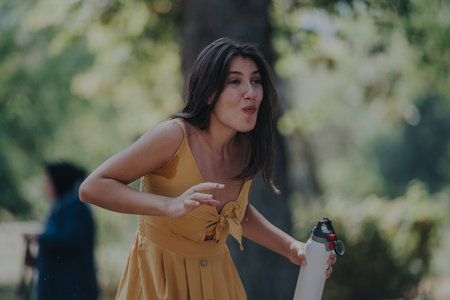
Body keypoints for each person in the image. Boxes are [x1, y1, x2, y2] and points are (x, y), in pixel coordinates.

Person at [80, 37, 336, 300]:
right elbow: (93, 187)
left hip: (218, 282)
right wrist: (168, 205)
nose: (250, 92)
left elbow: (234, 210)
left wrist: (291, 248)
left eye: (255, 81)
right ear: (209, 92)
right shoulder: (173, 136)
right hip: (159, 280)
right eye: (235, 81)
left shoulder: (246, 147)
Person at [25, 161, 99, 300]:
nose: (44, 186)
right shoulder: (61, 206)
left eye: (47, 181)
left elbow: (70, 240)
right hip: (61, 287)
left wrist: (39, 238)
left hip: (72, 289)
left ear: (58, 181)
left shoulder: (76, 207)